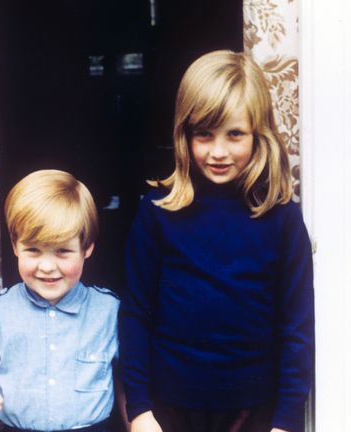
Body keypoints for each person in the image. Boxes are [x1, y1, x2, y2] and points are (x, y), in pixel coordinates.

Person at [119, 50, 314, 432]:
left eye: (235, 134)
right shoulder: (157, 212)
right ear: (184, 134)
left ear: (259, 134)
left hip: (253, 410)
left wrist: (287, 420)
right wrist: (140, 409)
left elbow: (296, 326)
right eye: (204, 134)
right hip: (170, 409)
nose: (219, 151)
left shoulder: (282, 218)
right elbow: (136, 314)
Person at [0, 169, 121, 432]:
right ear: (14, 246)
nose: (47, 266)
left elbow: (132, 383)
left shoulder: (109, 311)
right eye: (33, 250)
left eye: (63, 252)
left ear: (87, 247)